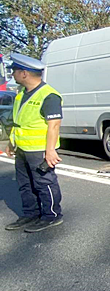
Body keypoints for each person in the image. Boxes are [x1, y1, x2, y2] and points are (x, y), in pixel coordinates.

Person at [3, 53, 64, 233]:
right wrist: (12, 142)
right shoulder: (21, 94)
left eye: (14, 71)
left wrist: (50, 151)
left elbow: (54, 125)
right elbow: (19, 120)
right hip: (22, 147)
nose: (12, 74)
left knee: (44, 183)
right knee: (25, 184)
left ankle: (51, 215)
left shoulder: (49, 95)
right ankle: (30, 214)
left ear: (24, 73)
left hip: (39, 150)